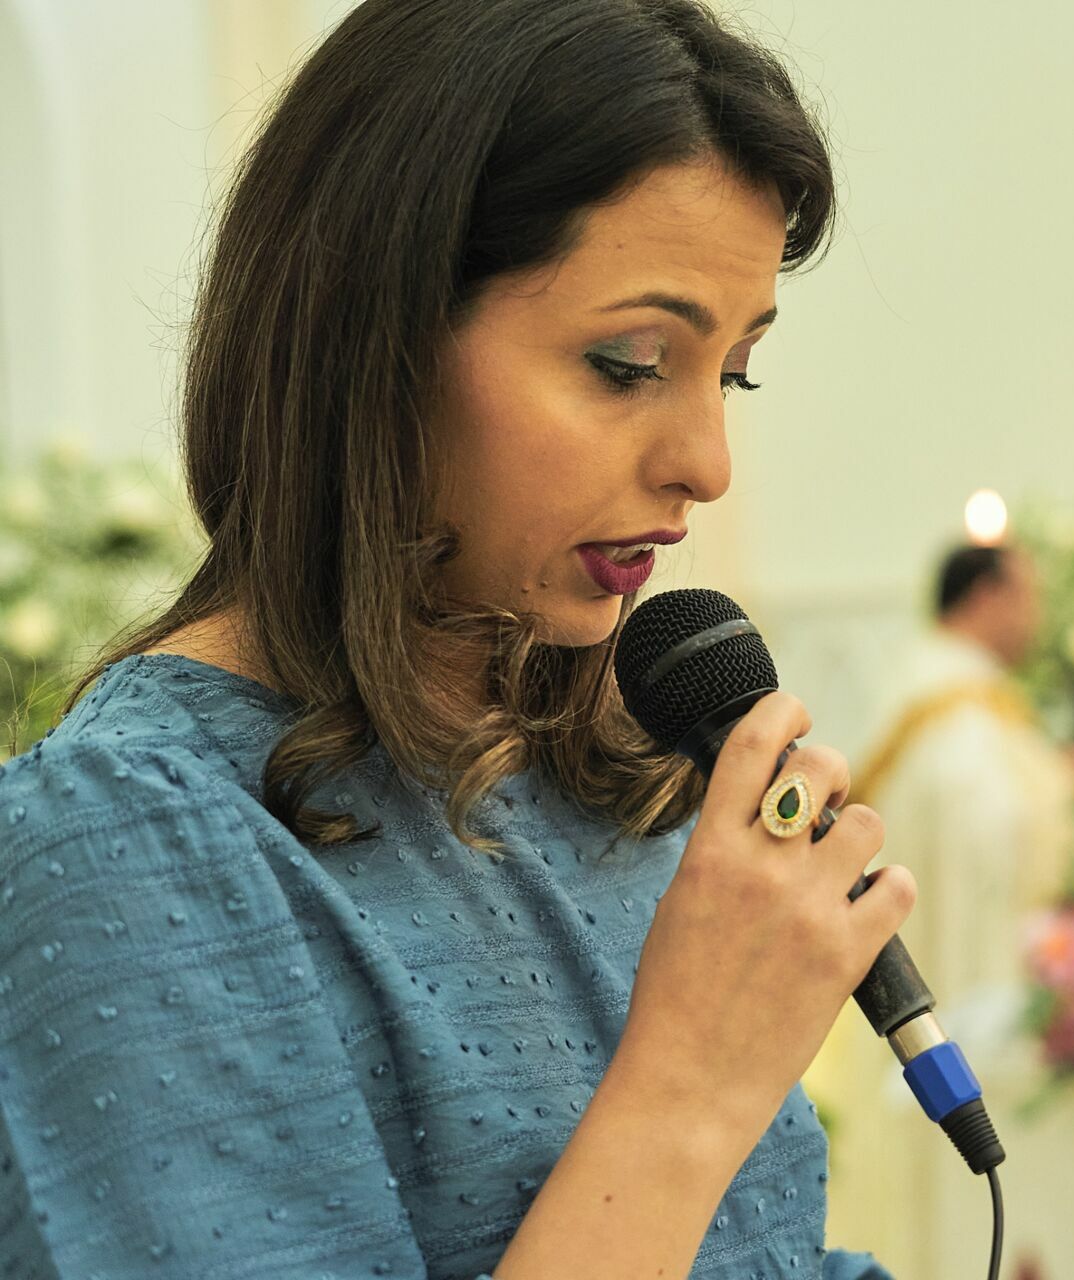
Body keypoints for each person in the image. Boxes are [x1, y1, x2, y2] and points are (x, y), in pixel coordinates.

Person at [0, 3, 913, 1277]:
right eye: (625, 360)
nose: (706, 464)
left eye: (735, 373)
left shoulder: (596, 773)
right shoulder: (126, 841)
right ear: (372, 337)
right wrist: (689, 1088)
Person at [807, 542, 1074, 1277]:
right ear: (986, 598)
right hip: (950, 969)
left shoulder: (935, 686)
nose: (1037, 616)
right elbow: (981, 824)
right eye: (1028, 595)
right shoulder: (945, 699)